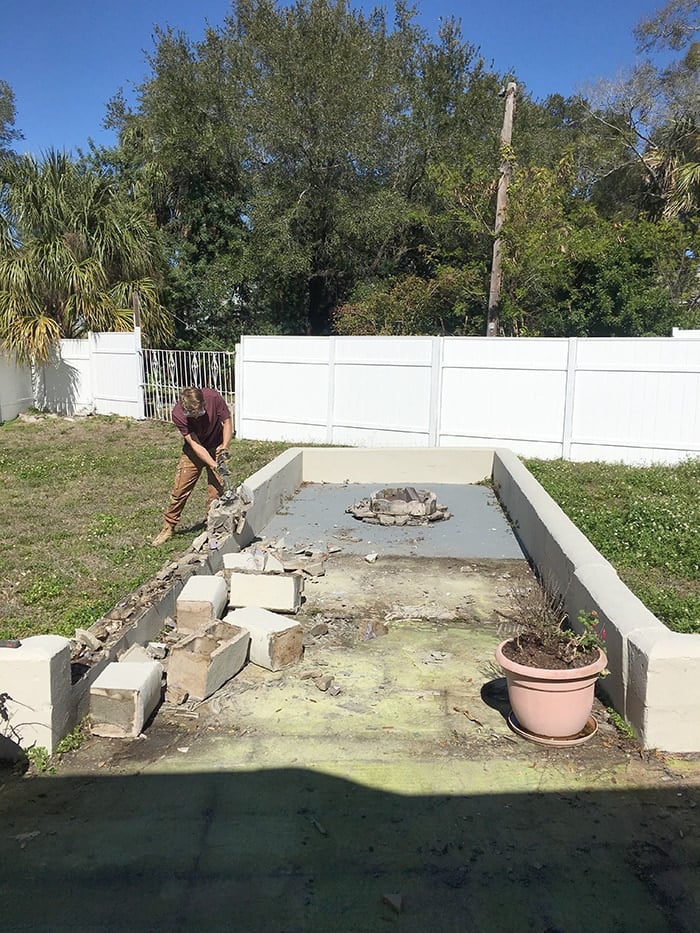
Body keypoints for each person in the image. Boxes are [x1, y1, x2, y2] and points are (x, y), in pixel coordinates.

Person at [151, 386, 232, 546]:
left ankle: (211, 527)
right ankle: (169, 527)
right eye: (191, 415)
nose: (195, 417)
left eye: (199, 413)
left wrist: (225, 446)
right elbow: (195, 445)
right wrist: (214, 465)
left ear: (203, 403)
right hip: (194, 450)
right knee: (180, 489)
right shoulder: (178, 414)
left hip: (216, 445)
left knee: (216, 491)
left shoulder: (213, 398)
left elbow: (227, 421)